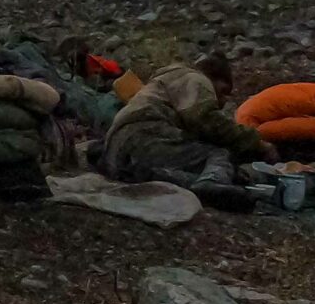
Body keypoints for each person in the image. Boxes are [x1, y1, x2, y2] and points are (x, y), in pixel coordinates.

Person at [104, 52, 265, 207]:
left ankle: (162, 177)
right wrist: (255, 141)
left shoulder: (166, 81)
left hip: (116, 150)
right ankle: (213, 182)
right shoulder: (196, 78)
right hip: (145, 135)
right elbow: (205, 120)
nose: (222, 101)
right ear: (212, 77)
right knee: (219, 154)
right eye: (223, 91)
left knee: (196, 170)